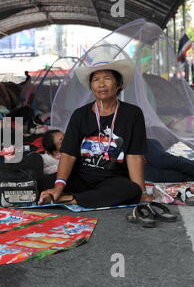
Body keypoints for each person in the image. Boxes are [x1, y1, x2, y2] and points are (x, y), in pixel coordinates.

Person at [39, 55, 152, 207]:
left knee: (132, 191)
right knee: (39, 184)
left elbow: (134, 156)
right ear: (91, 86)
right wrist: (58, 187)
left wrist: (142, 193)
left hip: (113, 179)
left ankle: (68, 199)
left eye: (107, 78)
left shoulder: (132, 114)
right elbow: (69, 154)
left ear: (118, 84)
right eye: (96, 79)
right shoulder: (80, 115)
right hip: (81, 176)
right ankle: (72, 195)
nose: (101, 84)